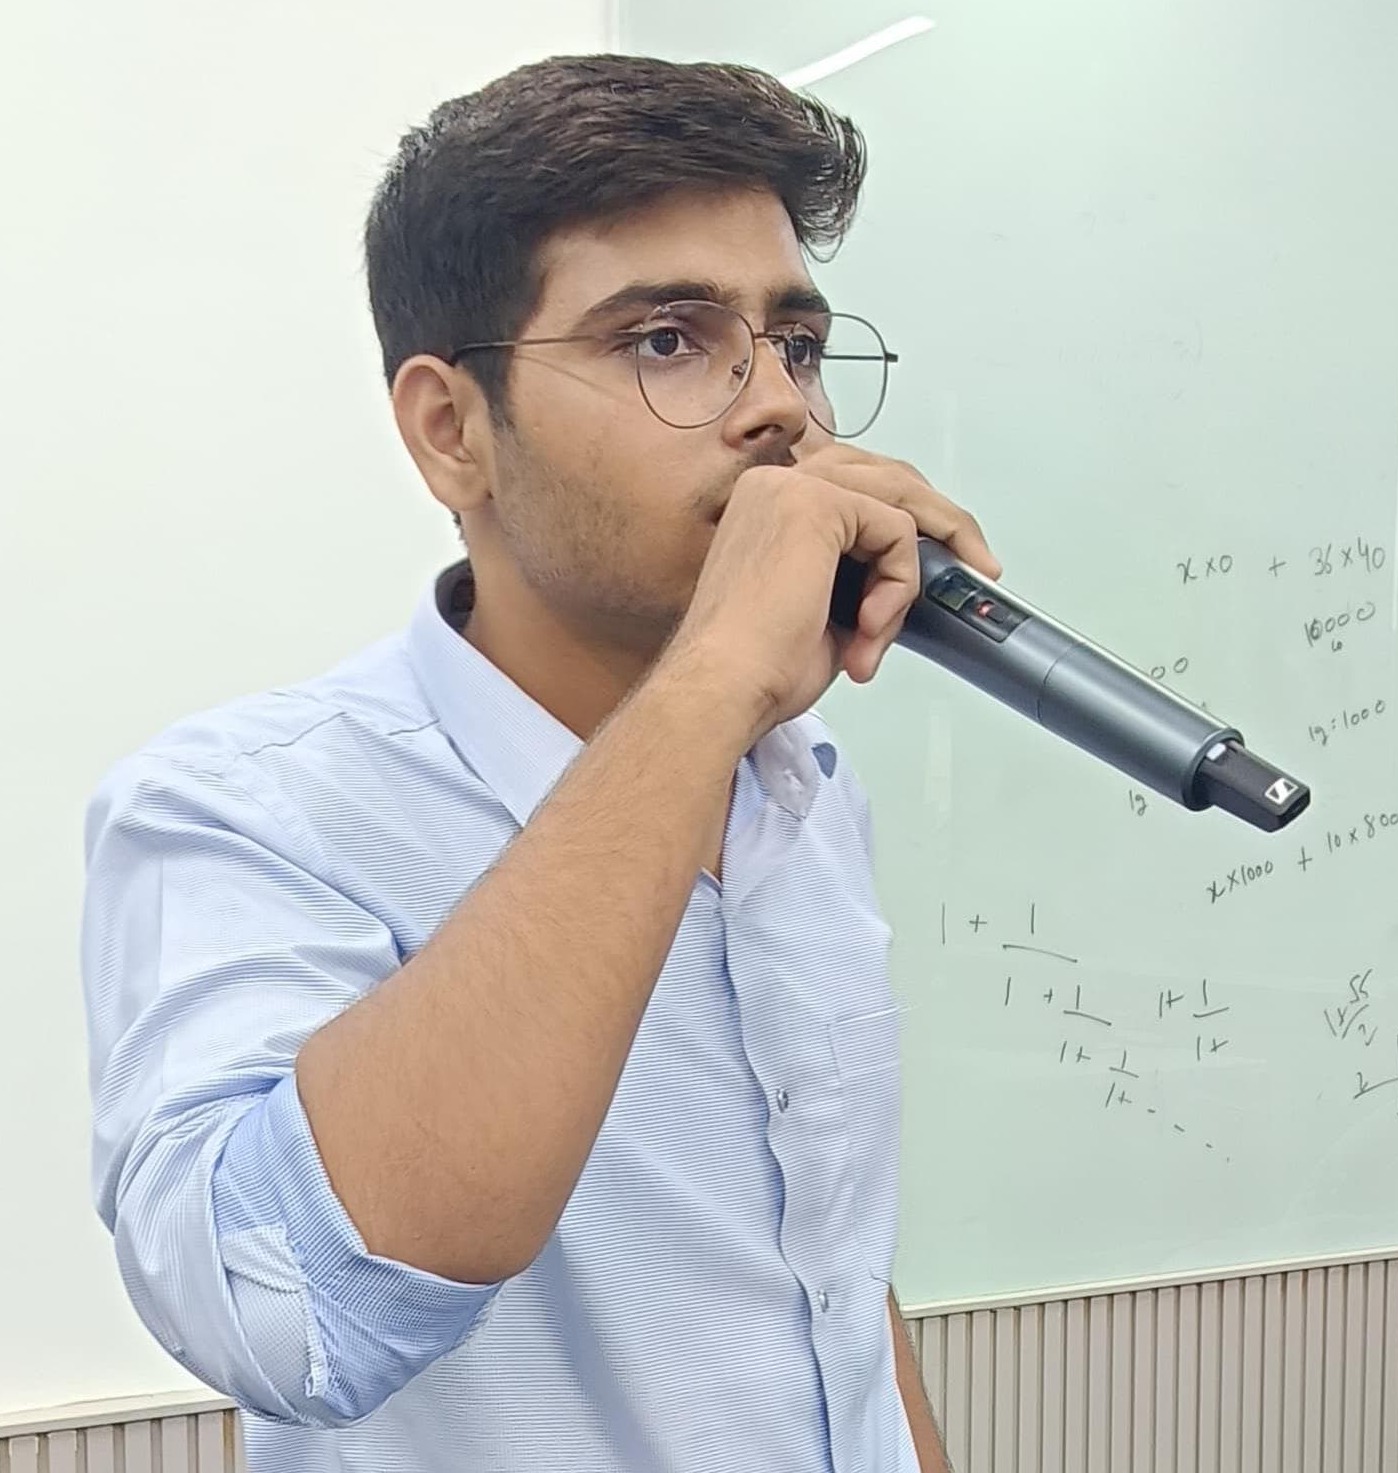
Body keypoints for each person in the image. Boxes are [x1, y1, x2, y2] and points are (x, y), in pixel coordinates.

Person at [81, 53, 998, 1473]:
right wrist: (708, 685)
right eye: (669, 340)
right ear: (452, 432)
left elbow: (834, 1282)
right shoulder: (243, 807)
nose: (779, 410)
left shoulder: (801, 793)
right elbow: (295, 1317)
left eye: (797, 345)